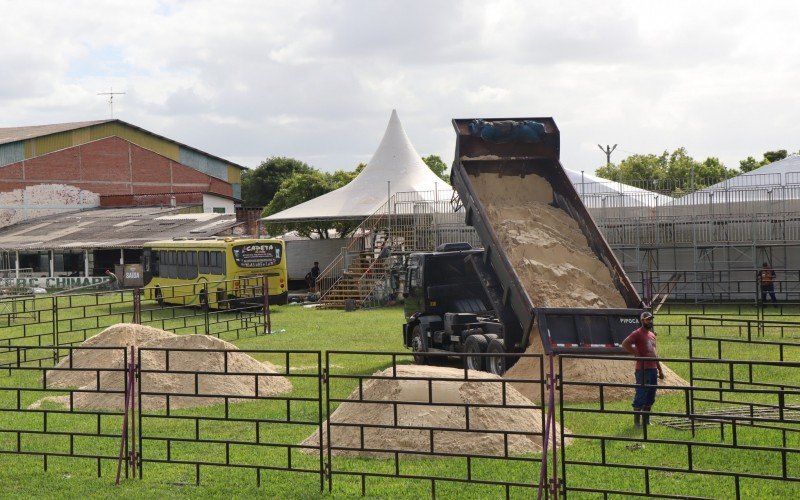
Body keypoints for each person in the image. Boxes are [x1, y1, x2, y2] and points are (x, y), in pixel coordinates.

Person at [621, 311, 664, 427]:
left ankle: (646, 420)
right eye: (647, 319)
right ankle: (636, 422)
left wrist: (660, 369)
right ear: (642, 320)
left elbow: (655, 353)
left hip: (652, 368)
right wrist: (637, 353)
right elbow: (625, 344)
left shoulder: (652, 335)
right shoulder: (637, 333)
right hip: (642, 368)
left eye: (651, 319)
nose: (650, 321)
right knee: (641, 392)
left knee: (651, 393)